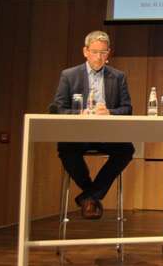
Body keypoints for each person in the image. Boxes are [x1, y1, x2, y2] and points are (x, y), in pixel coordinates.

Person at [52, 30, 134, 219]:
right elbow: (58, 108)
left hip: (107, 133)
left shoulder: (118, 76)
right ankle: (91, 194)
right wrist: (79, 113)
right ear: (85, 51)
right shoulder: (69, 75)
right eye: (95, 52)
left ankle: (89, 196)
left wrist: (110, 112)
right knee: (65, 148)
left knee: (126, 150)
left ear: (109, 53)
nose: (99, 57)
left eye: (103, 52)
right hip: (79, 133)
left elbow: (127, 108)